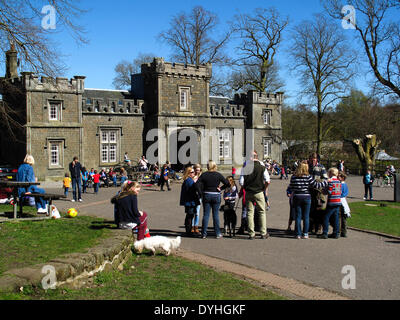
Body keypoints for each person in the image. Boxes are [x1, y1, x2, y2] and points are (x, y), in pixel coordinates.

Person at [288, 162, 327, 239]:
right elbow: (316, 185)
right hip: (306, 196)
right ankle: (305, 233)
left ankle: (298, 233)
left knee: (298, 216)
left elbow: (291, 187)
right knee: (306, 216)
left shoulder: (293, 177)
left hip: (297, 196)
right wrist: (325, 182)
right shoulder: (308, 177)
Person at [239, 151, 271, 240]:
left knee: (250, 212)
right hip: (259, 191)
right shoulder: (262, 167)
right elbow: (268, 180)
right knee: (261, 212)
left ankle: (251, 233)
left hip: (249, 192)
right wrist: (264, 188)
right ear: (256, 157)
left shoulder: (245, 168)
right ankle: (263, 233)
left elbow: (241, 182)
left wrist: (245, 187)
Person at [196, 160, 229, 239]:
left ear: (208, 166)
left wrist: (201, 193)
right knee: (215, 215)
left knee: (206, 215)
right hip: (216, 195)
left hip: (207, 194)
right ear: (214, 166)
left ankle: (203, 233)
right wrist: (220, 188)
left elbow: (197, 184)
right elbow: (227, 183)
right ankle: (217, 233)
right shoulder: (218, 175)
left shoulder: (204, 175)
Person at [318, 168, 342, 239]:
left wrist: (323, 191)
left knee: (326, 217)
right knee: (336, 217)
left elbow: (330, 191)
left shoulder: (331, 181)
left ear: (331, 173)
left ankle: (325, 232)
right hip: (338, 201)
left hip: (332, 201)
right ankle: (336, 232)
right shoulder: (338, 181)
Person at [307, 153, 328, 234]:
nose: (313, 160)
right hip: (309, 191)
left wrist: (318, 182)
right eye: (311, 158)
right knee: (310, 210)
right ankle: (310, 227)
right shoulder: (307, 167)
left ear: (317, 159)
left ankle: (318, 228)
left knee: (319, 210)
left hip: (318, 192)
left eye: (314, 158)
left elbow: (325, 178)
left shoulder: (321, 167)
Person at [180, 166, 201, 236]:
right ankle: (188, 231)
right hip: (190, 201)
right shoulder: (189, 180)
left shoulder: (189, 180)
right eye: (192, 172)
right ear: (188, 173)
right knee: (190, 216)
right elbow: (192, 190)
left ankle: (188, 230)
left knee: (189, 216)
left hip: (189, 201)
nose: (194, 173)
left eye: (194, 172)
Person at [338, 171, 351, 238]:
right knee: (343, 218)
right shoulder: (343, 184)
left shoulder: (342, 184)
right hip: (342, 200)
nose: (338, 177)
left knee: (341, 217)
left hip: (341, 201)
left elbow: (343, 193)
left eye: (339, 176)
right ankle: (343, 231)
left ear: (343, 178)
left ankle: (341, 231)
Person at [192, 164, 203, 235]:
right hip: (192, 196)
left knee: (197, 213)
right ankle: (192, 227)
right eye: (196, 170)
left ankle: (196, 227)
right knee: (192, 212)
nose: (197, 172)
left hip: (199, 196)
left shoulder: (202, 177)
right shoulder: (192, 177)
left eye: (198, 170)